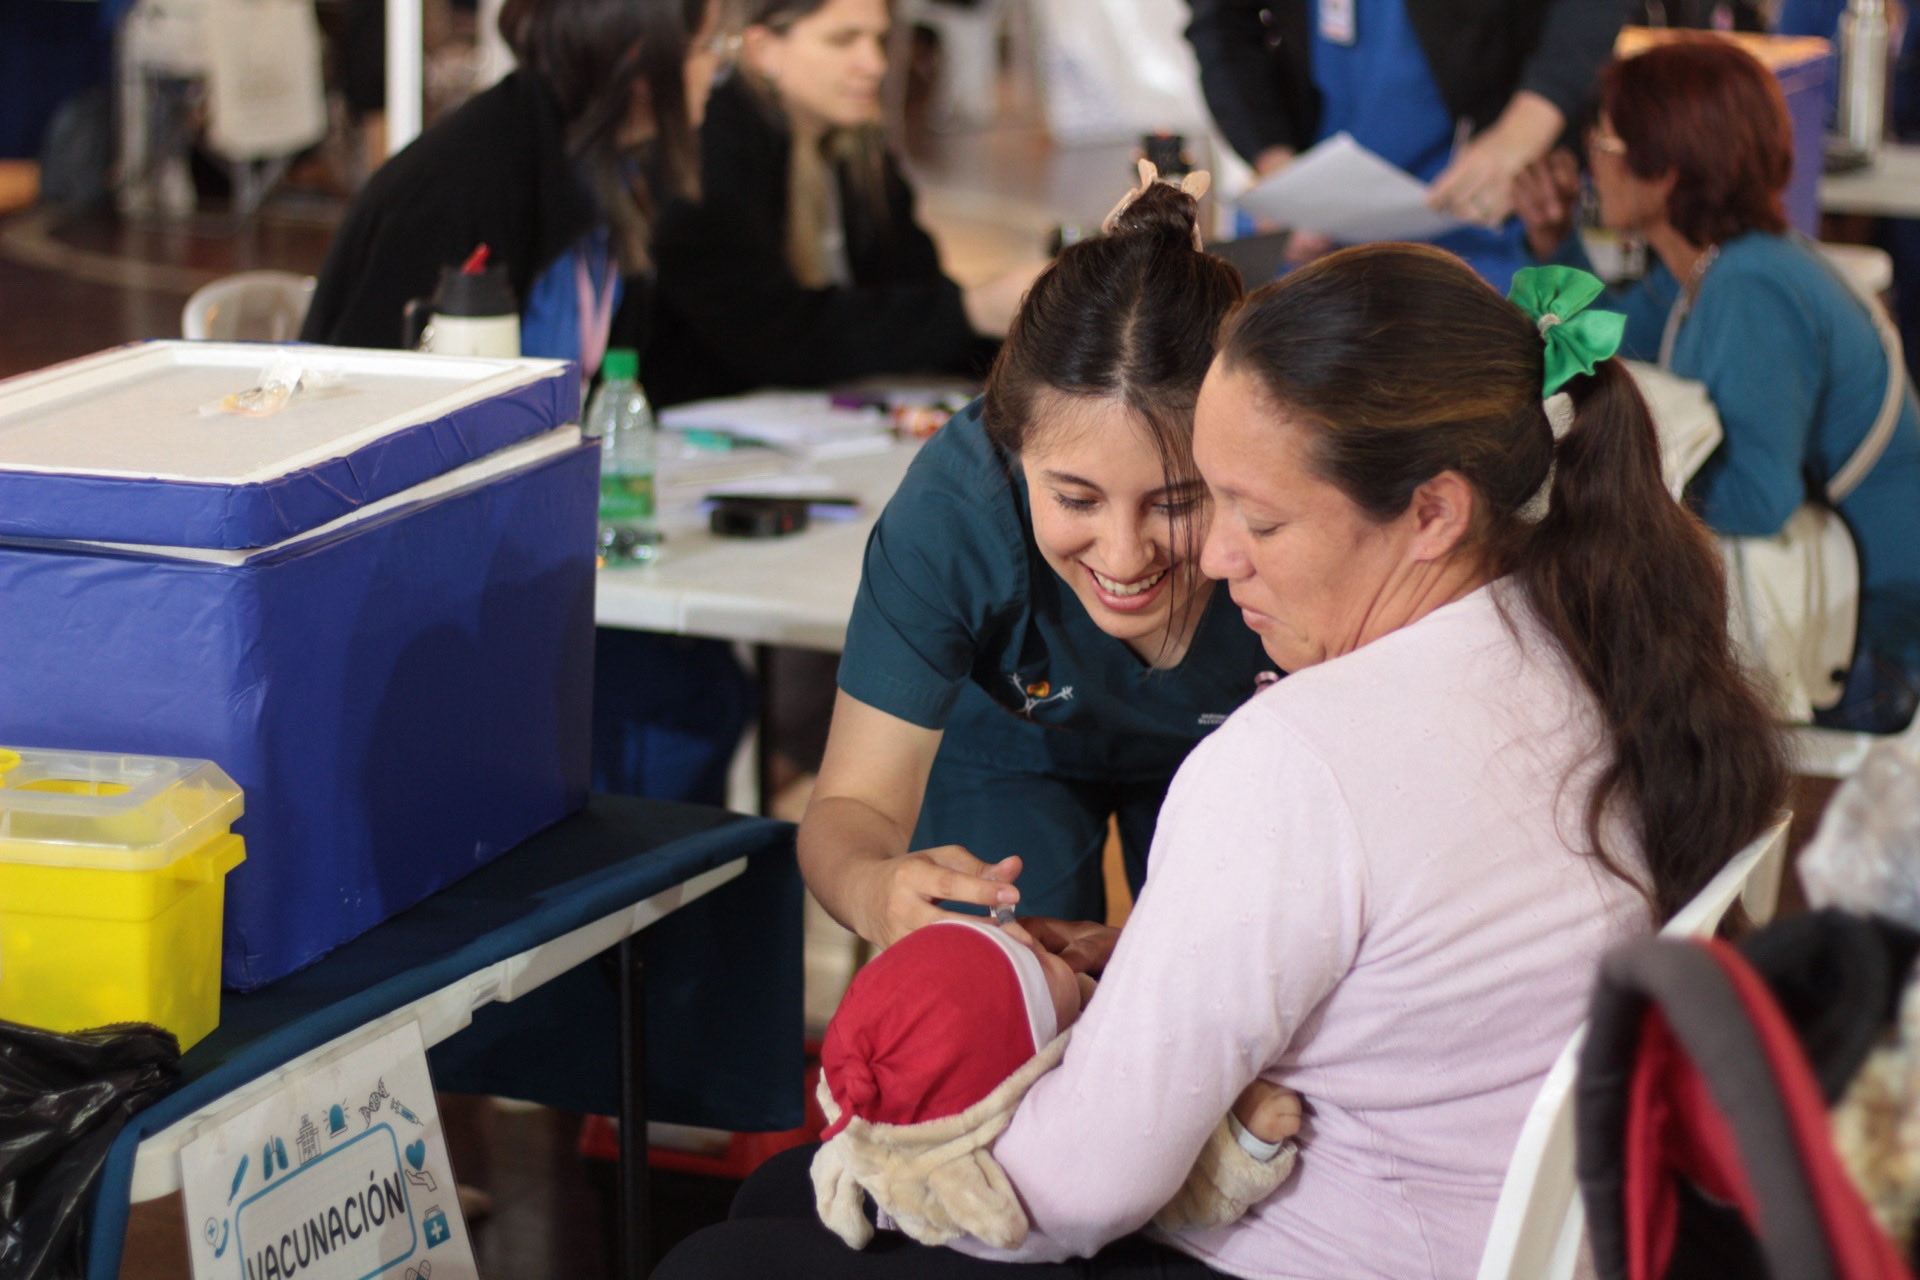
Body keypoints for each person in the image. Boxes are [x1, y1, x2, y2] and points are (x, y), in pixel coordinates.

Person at [654, 244, 1790, 1278]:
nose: (1217, 559)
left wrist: (913, 1157)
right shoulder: (1596, 647)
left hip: (1320, 1242)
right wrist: (1151, 967)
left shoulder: (1295, 756)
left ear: (1432, 510)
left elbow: (1070, 1191)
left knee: (737, 1250)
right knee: (772, 1204)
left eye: (1243, 511)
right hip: (1506, 1226)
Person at [795, 177, 1277, 946]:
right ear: (1013, 450)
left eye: (1178, 503)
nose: (1123, 555)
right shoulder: (955, 510)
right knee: (997, 979)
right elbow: (853, 806)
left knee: (1241, 973)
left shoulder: (1297, 502)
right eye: (1076, 500)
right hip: (1014, 748)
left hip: (1234, 745)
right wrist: (871, 887)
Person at [300, 0, 756, 806]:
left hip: (538, 540)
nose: (718, 67)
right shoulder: (469, 182)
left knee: (705, 683)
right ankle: (630, 914)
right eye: (705, 45)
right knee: (683, 704)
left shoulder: (605, 170)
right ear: (632, 58)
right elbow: (355, 420)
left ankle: (659, 916)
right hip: (424, 586)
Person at [1513, 37, 1920, 733]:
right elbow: (1595, 345)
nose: (1591, 162)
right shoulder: (1707, 270)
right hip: (1845, 603)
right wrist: (1558, 245)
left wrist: (1609, 493)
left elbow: (1758, 501)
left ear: (1664, 168)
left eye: (1605, 140)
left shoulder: (1749, 286)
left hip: (1873, 636)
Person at [807, 917, 1298, 1252]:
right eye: (1036, 965)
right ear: (1024, 1065)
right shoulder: (1043, 1146)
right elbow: (1180, 1186)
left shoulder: (890, 1106)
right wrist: (1247, 1142)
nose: (1031, 936)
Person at [642, 0, 1046, 407]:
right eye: (843, 40)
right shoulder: (713, 148)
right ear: (763, 49)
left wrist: (1028, 326)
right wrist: (969, 310)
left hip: (814, 414)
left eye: (880, 40)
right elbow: (769, 335)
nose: (874, 64)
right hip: (700, 422)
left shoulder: (856, 148)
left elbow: (913, 285)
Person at [1182, 0, 1625, 288]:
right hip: (1315, 236)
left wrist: (1525, 129)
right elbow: (1220, 27)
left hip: (1484, 219)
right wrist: (1277, 166)